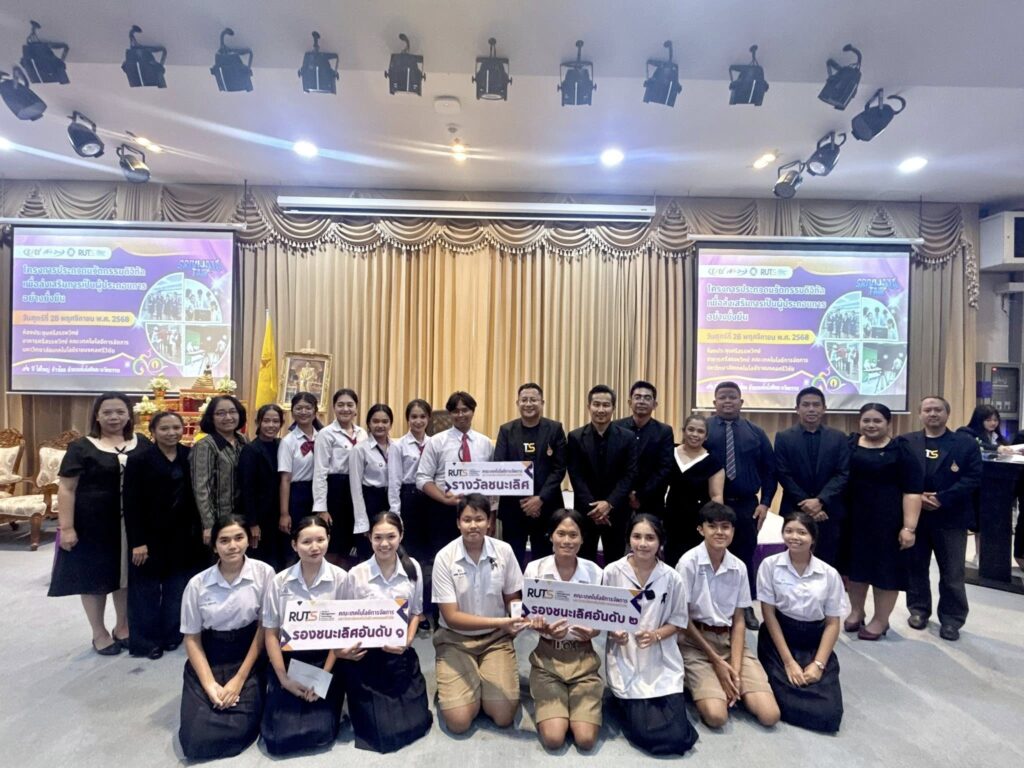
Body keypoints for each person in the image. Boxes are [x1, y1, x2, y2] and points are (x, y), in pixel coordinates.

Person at [48, 392, 152, 654]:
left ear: (129, 415)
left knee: (126, 576)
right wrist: (67, 528)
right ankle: (99, 632)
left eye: (120, 412)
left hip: (132, 526)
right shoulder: (82, 447)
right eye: (107, 412)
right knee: (94, 579)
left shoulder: (142, 443)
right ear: (96, 415)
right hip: (92, 527)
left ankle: (123, 626)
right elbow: (67, 489)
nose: (114, 417)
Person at [178, 516, 275, 761]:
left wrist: (239, 679)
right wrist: (210, 685)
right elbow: (192, 639)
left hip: (249, 655)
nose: (232, 545)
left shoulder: (264, 573)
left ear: (248, 540)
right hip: (210, 656)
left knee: (238, 729)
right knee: (194, 738)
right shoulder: (197, 584)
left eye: (239, 538)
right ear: (214, 546)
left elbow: (264, 628)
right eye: (224, 540)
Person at [676, 502, 780, 728]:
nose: (719, 532)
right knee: (717, 717)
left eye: (725, 527)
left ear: (733, 531)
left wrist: (735, 669)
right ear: (700, 529)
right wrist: (717, 662)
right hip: (696, 643)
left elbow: (739, 620)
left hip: (730, 641)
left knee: (770, 715)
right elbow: (682, 619)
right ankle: (698, 682)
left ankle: (728, 684)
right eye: (712, 526)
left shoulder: (739, 567)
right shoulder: (688, 563)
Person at [431, 493, 528, 734]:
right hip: (455, 640)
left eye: (479, 519)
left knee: (503, 716)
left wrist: (517, 617)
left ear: (489, 522)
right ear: (458, 523)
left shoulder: (504, 551)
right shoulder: (444, 557)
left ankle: (481, 680)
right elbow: (451, 617)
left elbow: (512, 598)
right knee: (459, 722)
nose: (473, 525)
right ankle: (462, 681)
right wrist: (501, 621)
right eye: (467, 520)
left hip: (496, 639)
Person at [603, 514, 697, 755]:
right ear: (628, 539)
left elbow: (678, 621)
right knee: (646, 733)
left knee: (678, 736)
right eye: (637, 537)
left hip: (661, 658)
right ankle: (620, 700)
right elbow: (602, 615)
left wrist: (656, 635)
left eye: (650, 538)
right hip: (626, 656)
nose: (642, 544)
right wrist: (614, 632)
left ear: (660, 542)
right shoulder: (612, 572)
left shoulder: (672, 577)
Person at [342, 512, 433, 752]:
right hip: (366, 658)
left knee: (416, 722)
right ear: (369, 538)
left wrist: (407, 641)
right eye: (378, 537)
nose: (384, 544)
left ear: (401, 536)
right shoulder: (356, 574)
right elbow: (347, 619)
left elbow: (416, 613)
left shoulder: (413, 567)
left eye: (391, 536)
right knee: (381, 731)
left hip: (399, 654)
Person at [261, 516, 350, 755]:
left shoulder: (341, 579)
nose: (314, 547)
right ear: (294, 544)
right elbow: (271, 634)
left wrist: (322, 676)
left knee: (321, 732)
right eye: (306, 542)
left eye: (320, 540)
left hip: (327, 660)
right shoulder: (279, 582)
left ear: (328, 539)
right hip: (289, 661)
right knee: (277, 736)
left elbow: (343, 633)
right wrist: (283, 678)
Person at [756, 511, 847, 733]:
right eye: (788, 531)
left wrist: (818, 664)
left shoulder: (829, 574)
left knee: (829, 713)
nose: (794, 537)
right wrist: (788, 662)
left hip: (814, 641)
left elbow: (832, 623)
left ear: (813, 538)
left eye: (801, 532)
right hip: (779, 637)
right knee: (778, 700)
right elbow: (768, 614)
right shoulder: (770, 565)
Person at [901, 396, 983, 641]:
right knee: (915, 567)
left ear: (947, 414)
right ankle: (918, 610)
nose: (933, 413)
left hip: (951, 517)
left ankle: (951, 619)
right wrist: (918, 498)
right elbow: (897, 475)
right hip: (915, 517)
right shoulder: (906, 442)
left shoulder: (965, 443)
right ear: (920, 414)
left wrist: (942, 498)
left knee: (952, 572)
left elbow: (973, 477)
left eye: (938, 409)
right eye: (927, 410)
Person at [123, 411, 204, 659]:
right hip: (149, 536)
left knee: (176, 587)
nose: (171, 433)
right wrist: (138, 542)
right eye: (165, 428)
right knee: (145, 590)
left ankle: (171, 634)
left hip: (182, 534)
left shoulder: (189, 455)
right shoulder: (139, 459)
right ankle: (146, 641)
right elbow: (132, 503)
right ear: (153, 431)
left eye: (176, 428)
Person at [523, 509, 603, 752]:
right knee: (554, 739)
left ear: (582, 538)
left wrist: (593, 632)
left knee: (585, 740)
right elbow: (526, 616)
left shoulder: (595, 572)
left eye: (573, 535)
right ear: (551, 536)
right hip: (547, 659)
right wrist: (542, 628)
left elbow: (603, 619)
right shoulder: (535, 569)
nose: (567, 540)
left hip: (583, 659)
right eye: (561, 534)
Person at [844, 403, 923, 640]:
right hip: (853, 520)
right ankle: (857, 611)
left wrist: (909, 528)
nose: (871, 425)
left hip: (888, 522)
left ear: (888, 423)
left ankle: (881, 620)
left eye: (877, 421)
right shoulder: (849, 445)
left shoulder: (901, 449)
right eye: (866, 420)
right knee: (855, 570)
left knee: (885, 572)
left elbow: (912, 491)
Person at [703, 381, 777, 629]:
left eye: (732, 397)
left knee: (744, 556)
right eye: (722, 397)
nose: (727, 401)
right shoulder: (703, 429)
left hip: (746, 505)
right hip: (712, 505)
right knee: (711, 555)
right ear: (714, 402)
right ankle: (710, 605)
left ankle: (745, 607)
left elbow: (769, 470)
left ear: (741, 402)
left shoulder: (756, 432)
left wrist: (765, 503)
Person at [416, 391, 494, 615]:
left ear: (473, 411)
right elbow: (422, 478)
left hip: (476, 513)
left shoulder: (485, 443)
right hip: (442, 510)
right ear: (450, 414)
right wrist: (443, 498)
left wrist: (491, 516)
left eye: (465, 410)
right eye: (456, 411)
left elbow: (493, 481)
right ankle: (442, 613)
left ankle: (473, 611)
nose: (461, 415)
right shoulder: (437, 442)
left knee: (475, 561)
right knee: (443, 561)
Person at [773, 387, 850, 567]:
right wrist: (808, 505)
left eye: (816, 405)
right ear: (797, 409)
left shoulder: (839, 437)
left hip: (829, 511)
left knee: (827, 563)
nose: (811, 409)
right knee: (793, 561)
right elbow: (783, 473)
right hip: (795, 508)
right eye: (806, 405)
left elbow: (842, 473)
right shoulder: (783, 437)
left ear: (824, 409)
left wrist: (820, 501)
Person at [494, 382, 568, 567]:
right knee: (512, 562)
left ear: (542, 403)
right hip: (514, 508)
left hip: (546, 507)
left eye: (533, 400)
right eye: (524, 400)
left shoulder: (555, 429)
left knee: (544, 562)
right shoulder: (506, 430)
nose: (528, 404)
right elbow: (500, 467)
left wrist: (540, 499)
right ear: (517, 403)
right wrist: (527, 502)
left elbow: (559, 468)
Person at [567, 385, 638, 563]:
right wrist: (594, 509)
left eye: (606, 405)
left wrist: (609, 504)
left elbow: (629, 474)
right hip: (586, 512)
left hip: (616, 511)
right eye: (596, 404)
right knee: (584, 562)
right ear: (588, 406)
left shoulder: (628, 437)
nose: (600, 409)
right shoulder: (575, 437)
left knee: (616, 562)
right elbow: (576, 475)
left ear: (613, 408)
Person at [313, 388, 368, 567]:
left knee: (353, 544)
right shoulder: (326, 434)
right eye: (340, 405)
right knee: (334, 545)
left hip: (357, 490)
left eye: (350, 405)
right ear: (334, 408)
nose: (345, 409)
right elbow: (320, 472)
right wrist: (322, 507)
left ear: (356, 408)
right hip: (335, 492)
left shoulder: (362, 433)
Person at [663, 414, 725, 565]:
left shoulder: (713, 462)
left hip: (697, 523)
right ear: (683, 431)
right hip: (670, 520)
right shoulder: (669, 453)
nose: (695, 434)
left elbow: (716, 497)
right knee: (671, 562)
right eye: (691, 429)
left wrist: (713, 525)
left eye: (700, 431)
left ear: (706, 436)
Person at [190, 394, 248, 543]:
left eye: (232, 412)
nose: (228, 417)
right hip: (218, 520)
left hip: (241, 517)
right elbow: (201, 488)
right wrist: (209, 525)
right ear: (211, 418)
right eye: (220, 413)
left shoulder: (242, 440)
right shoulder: (205, 446)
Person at [396, 398, 432, 625]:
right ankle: (411, 611)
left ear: (428, 419)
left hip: (431, 500)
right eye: (413, 417)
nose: (418, 421)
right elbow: (394, 480)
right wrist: (396, 512)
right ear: (407, 419)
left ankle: (427, 608)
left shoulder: (435, 443)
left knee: (430, 557)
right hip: (408, 499)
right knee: (411, 557)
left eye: (422, 417)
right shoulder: (399, 445)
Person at [614, 380, 674, 518]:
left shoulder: (664, 431)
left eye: (647, 398)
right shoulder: (616, 428)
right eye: (637, 397)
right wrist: (626, 493)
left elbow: (664, 468)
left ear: (655, 404)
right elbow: (612, 465)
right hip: (619, 498)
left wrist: (639, 495)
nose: (642, 401)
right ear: (630, 402)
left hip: (651, 500)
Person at [238, 403, 285, 570]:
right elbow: (247, 488)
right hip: (260, 517)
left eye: (276, 421)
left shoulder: (281, 445)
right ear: (258, 422)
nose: (271, 425)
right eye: (266, 421)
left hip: (278, 515)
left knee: (279, 561)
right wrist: (252, 523)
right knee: (262, 562)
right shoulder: (250, 450)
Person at [277, 393, 322, 558]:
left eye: (308, 408)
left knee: (317, 538)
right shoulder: (288, 441)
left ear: (315, 411)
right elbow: (285, 479)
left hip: (319, 493)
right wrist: (284, 513)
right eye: (299, 408)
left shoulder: (323, 437)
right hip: (297, 495)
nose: (303, 412)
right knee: (297, 543)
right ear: (292, 412)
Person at [348, 404, 402, 540]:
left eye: (385, 421)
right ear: (368, 423)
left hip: (390, 500)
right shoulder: (360, 449)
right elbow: (355, 489)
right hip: (370, 502)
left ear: (390, 424)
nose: (380, 425)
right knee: (370, 544)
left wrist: (396, 511)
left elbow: (396, 482)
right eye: (376, 421)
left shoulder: (396, 447)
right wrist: (362, 522)